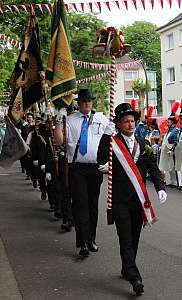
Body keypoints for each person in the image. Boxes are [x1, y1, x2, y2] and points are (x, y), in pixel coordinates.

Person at [97, 102, 167, 295]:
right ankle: (135, 277)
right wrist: (105, 135)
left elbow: (152, 168)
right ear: (118, 124)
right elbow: (100, 158)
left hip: (139, 201)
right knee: (125, 238)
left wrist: (160, 188)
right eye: (126, 121)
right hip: (120, 201)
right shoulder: (112, 143)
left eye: (132, 121)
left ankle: (127, 267)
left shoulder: (143, 144)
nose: (130, 124)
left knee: (134, 237)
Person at [54, 89, 112, 257]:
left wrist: (108, 162)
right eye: (83, 101)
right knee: (80, 204)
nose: (87, 103)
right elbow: (59, 141)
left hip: (95, 168)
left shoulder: (101, 119)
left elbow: (110, 141)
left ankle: (91, 239)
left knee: (93, 204)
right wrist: (59, 118)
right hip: (77, 168)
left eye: (89, 101)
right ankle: (83, 242)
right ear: (78, 103)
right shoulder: (70, 120)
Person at [159, 102, 180, 187]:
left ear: (173, 123)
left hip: (172, 151)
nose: (167, 124)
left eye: (168, 122)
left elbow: (176, 142)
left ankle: (176, 182)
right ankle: (172, 181)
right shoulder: (169, 131)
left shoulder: (175, 131)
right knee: (170, 167)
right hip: (167, 151)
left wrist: (172, 150)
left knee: (173, 167)